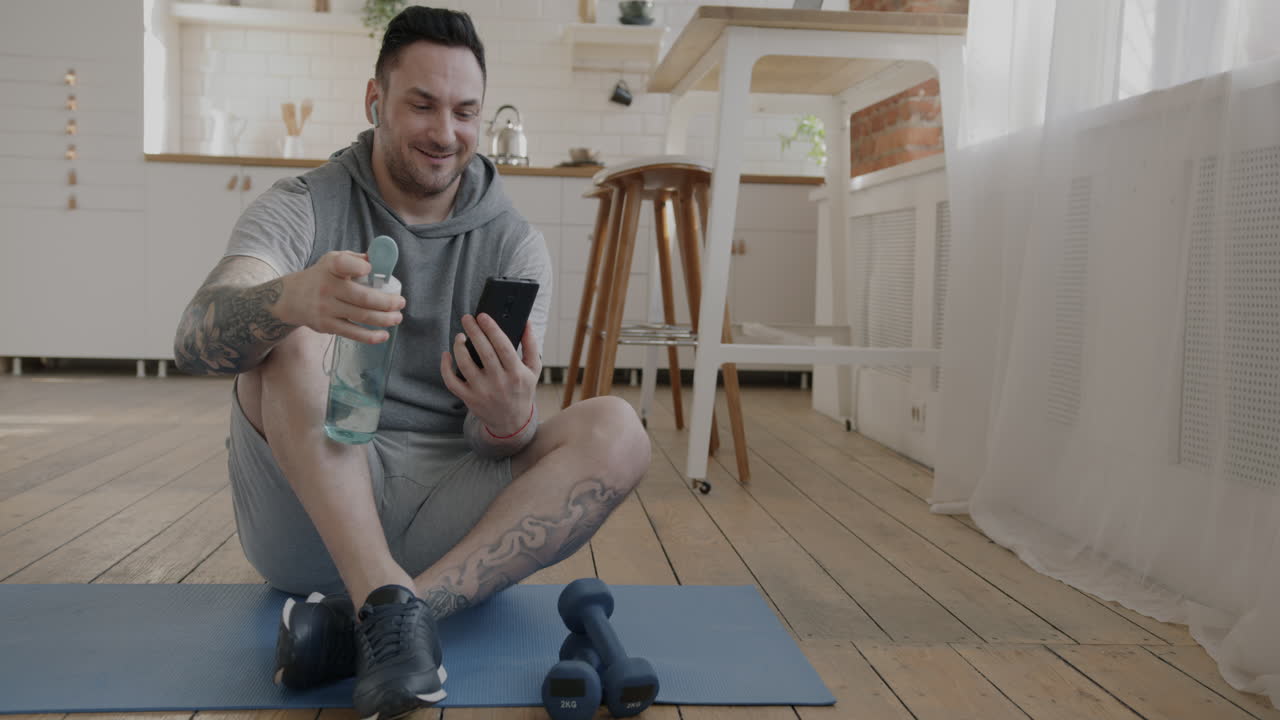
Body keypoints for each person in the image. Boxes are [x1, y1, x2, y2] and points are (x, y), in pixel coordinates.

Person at [172, 6, 651, 719]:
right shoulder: (301, 206)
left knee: (621, 428)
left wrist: (508, 419)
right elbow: (192, 340)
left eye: (464, 112)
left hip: (449, 522)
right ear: (375, 102)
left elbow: (503, 447)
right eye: (421, 105)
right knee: (294, 331)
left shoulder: (516, 244)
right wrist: (293, 295)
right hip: (310, 514)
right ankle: (383, 602)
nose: (445, 132)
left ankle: (387, 618)